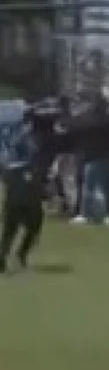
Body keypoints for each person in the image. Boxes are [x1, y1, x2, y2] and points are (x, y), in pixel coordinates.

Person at [0, 116, 49, 273]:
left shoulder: (15, 136)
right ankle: (19, 255)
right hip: (23, 180)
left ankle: (7, 258)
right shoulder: (26, 139)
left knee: (11, 228)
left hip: (15, 179)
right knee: (31, 224)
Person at [69, 94, 109, 226]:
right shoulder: (108, 121)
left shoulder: (86, 119)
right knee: (108, 189)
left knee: (89, 188)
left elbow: (73, 128)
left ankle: (85, 215)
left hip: (92, 158)